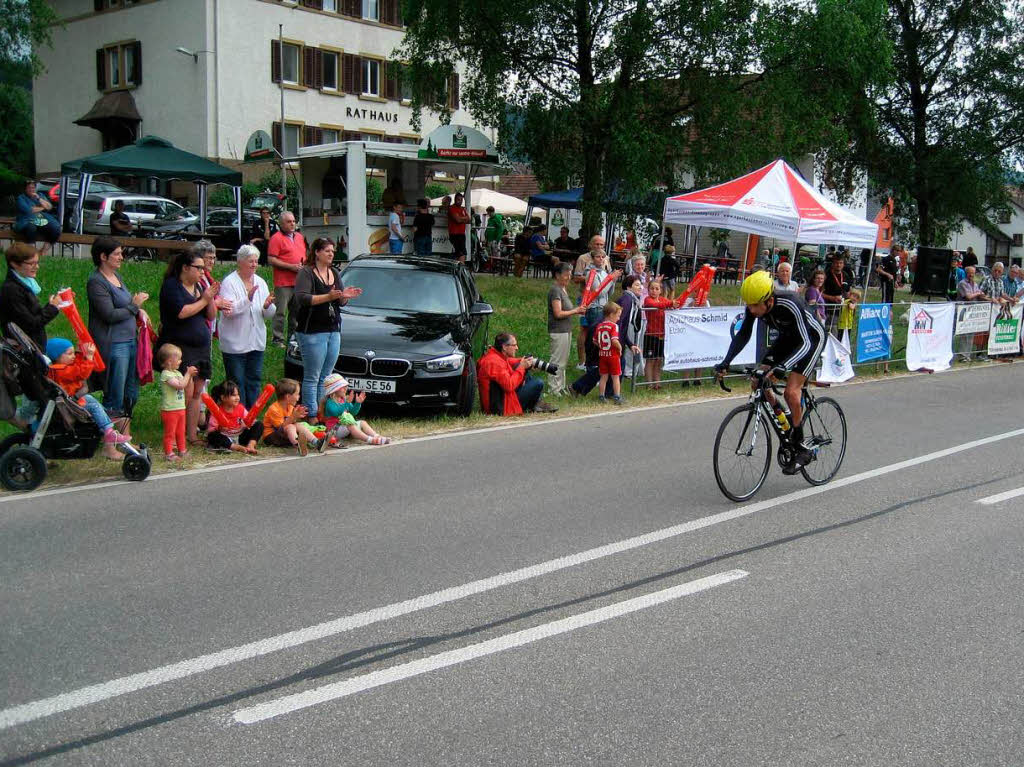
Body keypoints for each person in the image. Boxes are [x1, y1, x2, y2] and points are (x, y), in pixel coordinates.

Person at [714, 271, 826, 475]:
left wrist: (784, 367)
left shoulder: (790, 303)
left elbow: (806, 342)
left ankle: (800, 446)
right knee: (759, 381)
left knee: (791, 392)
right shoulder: (754, 305)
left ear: (769, 300)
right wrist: (726, 362)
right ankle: (786, 419)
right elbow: (743, 334)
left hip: (811, 340)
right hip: (788, 339)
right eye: (749, 305)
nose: (751, 309)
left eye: (755, 305)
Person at [293, 237, 362, 415]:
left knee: (326, 376)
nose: (331, 254)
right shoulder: (306, 272)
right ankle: (312, 415)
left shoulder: (335, 272)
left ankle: (324, 413)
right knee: (312, 376)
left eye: (332, 251)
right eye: (327, 251)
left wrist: (344, 296)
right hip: (312, 331)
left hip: (332, 329)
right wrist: (329, 297)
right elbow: (303, 298)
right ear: (317, 252)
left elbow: (340, 301)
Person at [158, 250, 218, 444]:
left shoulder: (200, 286)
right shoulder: (172, 286)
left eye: (203, 268)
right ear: (185, 267)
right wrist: (204, 300)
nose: (202, 271)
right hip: (180, 348)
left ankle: (191, 435)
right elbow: (182, 312)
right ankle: (176, 436)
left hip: (200, 347)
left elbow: (210, 316)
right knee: (185, 391)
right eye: (198, 268)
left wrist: (210, 298)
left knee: (196, 393)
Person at [86, 236, 149, 417]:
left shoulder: (117, 276)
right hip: (114, 344)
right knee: (115, 394)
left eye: (121, 253)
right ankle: (110, 438)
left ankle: (124, 434)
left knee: (131, 393)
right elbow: (109, 315)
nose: (121, 257)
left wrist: (138, 312)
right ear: (103, 257)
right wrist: (134, 306)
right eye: (117, 254)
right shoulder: (96, 282)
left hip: (130, 342)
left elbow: (126, 304)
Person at [46, 338, 131, 456]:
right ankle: (108, 432)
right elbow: (81, 372)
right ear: (57, 356)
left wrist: (81, 353)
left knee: (89, 398)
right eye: (69, 353)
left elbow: (77, 364)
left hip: (72, 399)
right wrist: (89, 357)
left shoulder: (61, 367)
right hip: (70, 404)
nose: (73, 356)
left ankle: (104, 417)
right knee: (94, 406)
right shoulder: (61, 371)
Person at [218, 244, 276, 408]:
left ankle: (252, 416)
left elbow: (267, 315)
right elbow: (228, 311)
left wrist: (267, 306)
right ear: (240, 262)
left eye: (256, 261)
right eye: (251, 261)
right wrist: (248, 299)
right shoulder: (229, 282)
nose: (254, 265)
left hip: (256, 342)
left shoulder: (260, 282)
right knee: (237, 382)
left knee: (254, 381)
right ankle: (238, 416)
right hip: (235, 344)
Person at [477, 332, 557, 415]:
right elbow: (509, 385)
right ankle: (535, 405)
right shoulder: (495, 363)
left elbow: (511, 362)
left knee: (527, 375)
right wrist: (522, 367)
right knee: (538, 383)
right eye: (514, 345)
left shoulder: (494, 356)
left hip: (500, 400)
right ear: (504, 347)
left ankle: (537, 404)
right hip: (500, 408)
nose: (517, 348)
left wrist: (528, 363)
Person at [0, 242, 59, 350]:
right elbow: (31, 324)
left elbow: (33, 316)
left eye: (37, 262)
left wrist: (53, 305)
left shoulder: (24, 283)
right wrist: (51, 308)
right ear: (14, 264)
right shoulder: (12, 290)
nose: (37, 267)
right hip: (22, 350)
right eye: (31, 263)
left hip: (31, 346)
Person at [267, 211, 307, 346]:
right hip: (283, 282)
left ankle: (293, 337)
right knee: (280, 312)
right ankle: (277, 338)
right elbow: (271, 259)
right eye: (289, 222)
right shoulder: (276, 238)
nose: (292, 224)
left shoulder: (300, 237)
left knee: (296, 312)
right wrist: (290, 267)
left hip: (298, 281)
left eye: (294, 221)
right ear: (281, 224)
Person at [319, 373, 391, 445]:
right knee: (351, 425)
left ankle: (377, 436)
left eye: (346, 386)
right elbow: (336, 412)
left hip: (344, 427)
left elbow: (353, 412)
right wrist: (346, 403)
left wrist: (357, 403)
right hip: (334, 430)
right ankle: (370, 440)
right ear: (334, 390)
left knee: (362, 422)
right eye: (342, 387)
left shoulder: (343, 400)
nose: (345, 389)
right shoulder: (329, 402)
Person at [547, 263, 586, 396]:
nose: (569, 277)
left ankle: (560, 387)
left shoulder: (563, 289)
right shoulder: (555, 290)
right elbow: (558, 313)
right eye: (566, 275)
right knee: (557, 360)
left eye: (570, 274)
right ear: (557, 275)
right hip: (558, 330)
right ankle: (553, 388)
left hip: (566, 330)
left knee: (563, 360)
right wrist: (576, 311)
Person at [156, 343, 197, 461]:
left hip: (180, 408)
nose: (180, 361)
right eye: (178, 359)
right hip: (170, 410)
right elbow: (180, 385)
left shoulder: (177, 373)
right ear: (169, 361)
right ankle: (168, 453)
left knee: (180, 431)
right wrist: (188, 374)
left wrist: (188, 376)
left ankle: (182, 450)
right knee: (170, 432)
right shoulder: (166, 374)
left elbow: (184, 384)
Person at [262, 378, 324, 453]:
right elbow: (280, 427)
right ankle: (298, 445)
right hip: (271, 436)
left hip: (284, 434)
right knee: (291, 426)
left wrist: (297, 416)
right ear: (288, 396)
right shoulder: (274, 409)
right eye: (297, 394)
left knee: (298, 425)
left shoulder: (290, 407)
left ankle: (317, 442)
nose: (299, 397)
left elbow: (291, 423)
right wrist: (294, 416)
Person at [206, 379, 262, 455]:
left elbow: (251, 421)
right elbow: (211, 430)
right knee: (212, 436)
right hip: (226, 438)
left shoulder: (240, 408)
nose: (237, 398)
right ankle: (237, 447)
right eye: (233, 395)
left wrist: (246, 424)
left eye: (238, 394)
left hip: (240, 436)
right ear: (223, 398)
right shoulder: (217, 411)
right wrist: (220, 428)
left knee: (259, 425)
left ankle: (251, 445)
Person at [643, 279, 677, 389]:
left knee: (658, 360)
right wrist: (671, 302)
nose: (654, 291)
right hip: (651, 334)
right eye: (652, 288)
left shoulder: (663, 300)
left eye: (657, 289)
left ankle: (657, 383)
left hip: (662, 335)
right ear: (648, 290)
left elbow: (670, 305)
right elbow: (655, 304)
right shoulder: (647, 300)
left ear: (660, 290)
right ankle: (649, 384)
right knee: (650, 360)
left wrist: (674, 304)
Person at [14, 180, 60, 251]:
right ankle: (31, 252)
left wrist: (39, 199)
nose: (31, 190)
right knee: (31, 227)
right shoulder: (21, 198)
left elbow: (50, 207)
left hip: (41, 221)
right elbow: (30, 210)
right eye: (29, 188)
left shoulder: (40, 195)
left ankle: (43, 252)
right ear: (25, 189)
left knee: (56, 228)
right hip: (26, 221)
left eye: (33, 188)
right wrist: (43, 207)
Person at [617, 275, 646, 382]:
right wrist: (617, 340)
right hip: (613, 337)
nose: (641, 287)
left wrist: (629, 344)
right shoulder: (627, 300)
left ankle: (612, 393)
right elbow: (619, 322)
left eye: (641, 285)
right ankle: (578, 386)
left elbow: (623, 325)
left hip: (618, 337)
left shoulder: (632, 300)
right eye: (637, 285)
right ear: (629, 288)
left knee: (619, 365)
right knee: (617, 365)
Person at [594, 302, 624, 405]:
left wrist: (602, 346)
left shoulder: (599, 326)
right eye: (618, 316)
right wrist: (620, 348)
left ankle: (601, 396)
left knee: (603, 376)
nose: (619, 318)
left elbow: (595, 341)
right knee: (616, 377)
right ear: (611, 314)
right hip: (613, 356)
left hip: (603, 355)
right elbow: (614, 340)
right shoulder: (614, 326)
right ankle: (617, 396)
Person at [821, 254, 849, 332]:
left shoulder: (846, 275)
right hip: (828, 307)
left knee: (840, 331)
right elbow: (819, 293)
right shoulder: (826, 275)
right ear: (833, 264)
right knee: (829, 330)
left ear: (843, 264)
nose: (838, 265)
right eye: (836, 263)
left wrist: (849, 298)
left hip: (842, 308)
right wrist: (832, 298)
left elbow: (848, 291)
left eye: (841, 263)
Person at [447, 192, 470, 262]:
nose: (460, 201)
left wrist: (461, 218)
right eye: (458, 200)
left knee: (461, 252)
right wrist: (463, 218)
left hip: (461, 233)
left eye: (461, 200)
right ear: (455, 199)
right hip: (454, 233)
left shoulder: (463, 209)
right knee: (461, 253)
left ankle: (460, 268)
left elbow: (469, 219)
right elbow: (457, 220)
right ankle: (461, 269)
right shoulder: (452, 208)